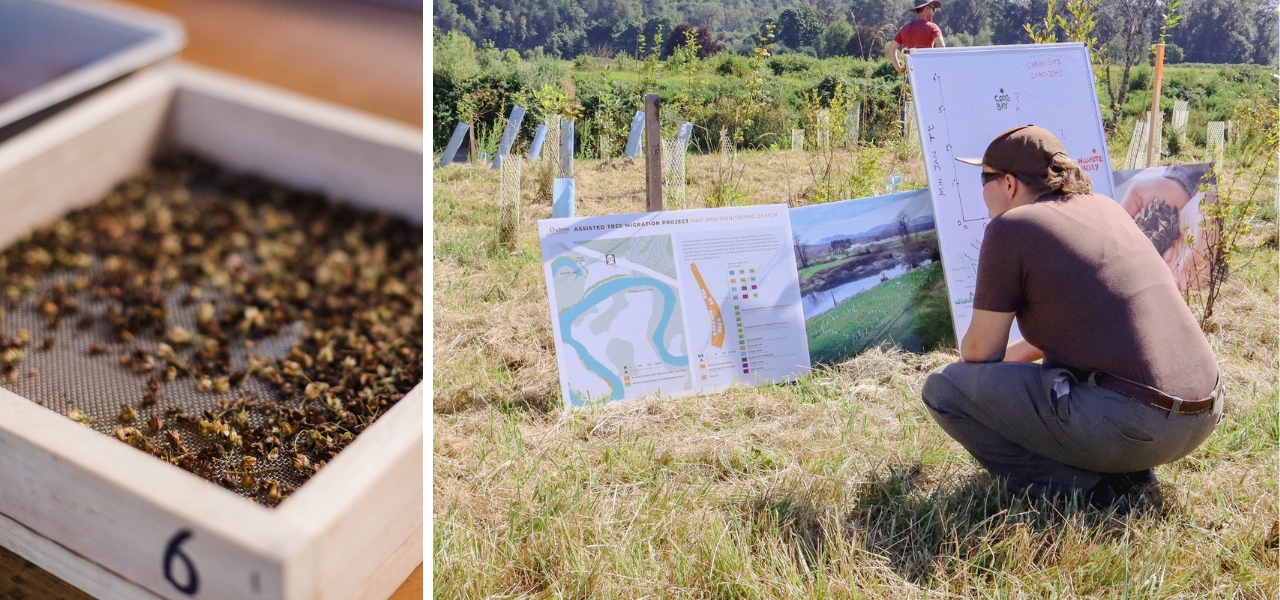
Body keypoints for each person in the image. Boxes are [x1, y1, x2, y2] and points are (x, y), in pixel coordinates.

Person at [921, 125, 1224, 513]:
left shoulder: (1011, 227)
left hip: (1140, 424)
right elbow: (1075, 328)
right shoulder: (1106, 208)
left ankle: (1091, 493)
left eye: (985, 179)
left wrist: (975, 381)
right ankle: (1129, 475)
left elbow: (980, 352)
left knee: (946, 390)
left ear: (1009, 184)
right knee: (1056, 367)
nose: (981, 193)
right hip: (1202, 412)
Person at [889, 0, 945, 74]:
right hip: (928, 72)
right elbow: (942, 47)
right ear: (926, 8)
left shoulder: (904, 29)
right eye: (933, 9)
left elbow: (891, 49)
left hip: (911, 74)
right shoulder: (932, 27)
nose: (933, 12)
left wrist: (899, 68)